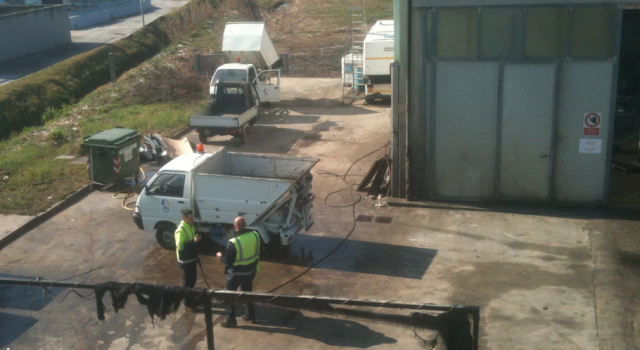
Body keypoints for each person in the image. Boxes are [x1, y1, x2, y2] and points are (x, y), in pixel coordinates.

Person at [216, 216, 261, 328]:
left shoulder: (234, 242)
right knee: (247, 293)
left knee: (228, 295)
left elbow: (229, 261)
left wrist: (220, 256)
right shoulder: (255, 235)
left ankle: (231, 320)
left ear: (235, 226)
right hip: (250, 271)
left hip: (236, 274)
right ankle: (251, 316)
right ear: (245, 225)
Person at [175, 209, 201, 311]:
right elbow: (180, 247)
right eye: (190, 218)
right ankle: (187, 303)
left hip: (192, 258)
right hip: (185, 261)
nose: (192, 219)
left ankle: (191, 297)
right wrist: (193, 242)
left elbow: (192, 238)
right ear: (184, 218)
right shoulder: (180, 231)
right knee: (187, 282)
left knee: (193, 280)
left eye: (193, 217)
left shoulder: (191, 226)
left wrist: (196, 238)